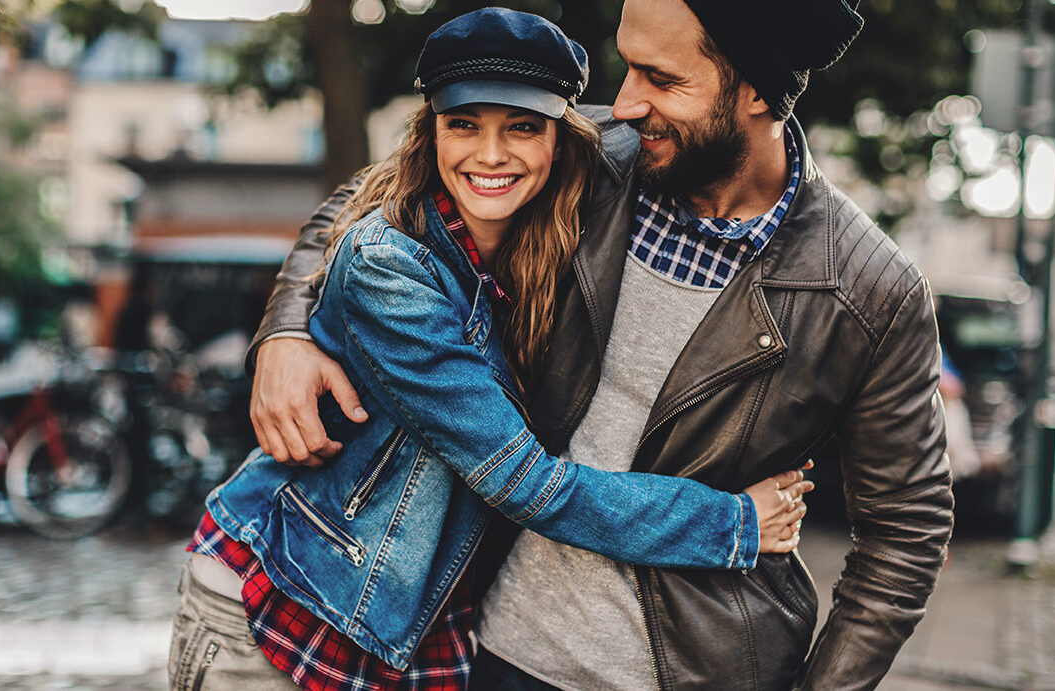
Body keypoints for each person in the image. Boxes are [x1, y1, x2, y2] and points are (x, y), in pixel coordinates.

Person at [251, 0, 955, 688]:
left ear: (759, 94)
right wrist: (286, 331)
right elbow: (382, 198)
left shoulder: (869, 291)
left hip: (705, 667)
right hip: (495, 649)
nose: (623, 103)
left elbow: (906, 535)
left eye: (662, 78)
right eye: (629, 67)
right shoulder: (588, 155)